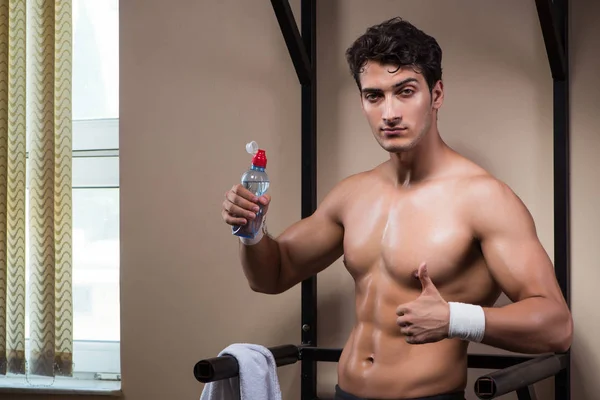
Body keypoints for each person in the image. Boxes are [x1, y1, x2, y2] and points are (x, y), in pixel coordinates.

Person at [221, 16, 573, 400]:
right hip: (346, 393)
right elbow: (272, 275)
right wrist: (253, 233)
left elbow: (556, 326)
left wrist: (456, 319)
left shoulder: (484, 199)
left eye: (405, 91)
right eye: (374, 96)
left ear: (436, 94)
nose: (389, 112)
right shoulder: (353, 194)